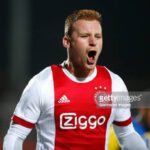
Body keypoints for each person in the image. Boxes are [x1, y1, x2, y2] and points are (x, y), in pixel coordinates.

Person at [3, 9, 147, 150]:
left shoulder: (115, 84)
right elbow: (15, 135)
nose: (93, 42)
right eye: (85, 36)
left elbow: (127, 135)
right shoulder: (43, 83)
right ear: (67, 41)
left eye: (98, 36)